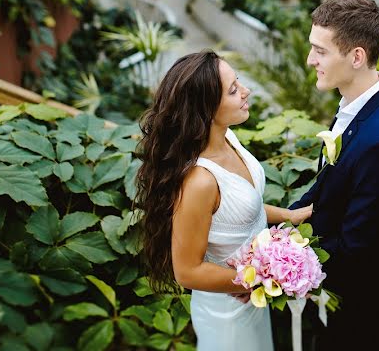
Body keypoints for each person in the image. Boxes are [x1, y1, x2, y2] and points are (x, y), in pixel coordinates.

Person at [134, 50, 313, 351]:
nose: (246, 91)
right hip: (227, 311)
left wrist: (289, 216)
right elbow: (187, 271)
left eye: (238, 82)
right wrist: (258, 280)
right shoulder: (199, 181)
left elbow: (238, 210)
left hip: (250, 300)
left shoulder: (229, 137)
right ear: (205, 109)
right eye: (233, 91)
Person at [291, 0, 379, 350]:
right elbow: (328, 188)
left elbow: (356, 250)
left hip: (358, 311)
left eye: (320, 51)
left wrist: (279, 269)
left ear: (357, 56)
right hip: (335, 300)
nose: (310, 60)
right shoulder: (354, 106)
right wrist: (280, 226)